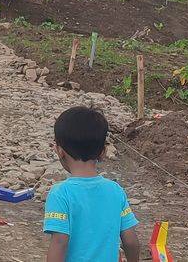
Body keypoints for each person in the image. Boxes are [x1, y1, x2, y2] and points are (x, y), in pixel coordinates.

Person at [44, 107, 140, 262]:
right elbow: (130, 241)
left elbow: (59, 243)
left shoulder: (60, 193)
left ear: (59, 151)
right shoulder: (115, 190)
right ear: (102, 152)